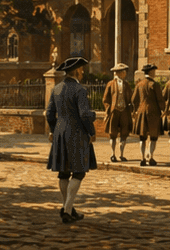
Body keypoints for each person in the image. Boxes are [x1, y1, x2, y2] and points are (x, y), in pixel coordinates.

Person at [46, 57, 98, 224]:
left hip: (60, 133)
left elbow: (49, 113)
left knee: (63, 172)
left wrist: (53, 130)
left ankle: (68, 207)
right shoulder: (80, 89)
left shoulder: (56, 89)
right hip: (76, 134)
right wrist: (92, 129)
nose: (82, 72)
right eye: (81, 69)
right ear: (76, 71)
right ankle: (67, 210)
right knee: (78, 172)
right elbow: (84, 114)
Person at [132, 64, 165, 166]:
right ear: (150, 72)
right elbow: (160, 100)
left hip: (142, 112)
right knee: (153, 137)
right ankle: (150, 157)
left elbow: (133, 99)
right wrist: (163, 110)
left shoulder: (139, 84)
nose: (154, 73)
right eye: (154, 71)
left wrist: (136, 110)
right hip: (154, 113)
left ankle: (142, 158)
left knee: (142, 137)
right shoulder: (155, 85)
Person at [103, 62, 136, 163]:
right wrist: (108, 108)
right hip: (114, 111)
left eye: (125, 71)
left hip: (124, 112)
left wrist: (131, 108)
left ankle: (121, 154)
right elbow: (105, 99)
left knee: (124, 133)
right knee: (113, 133)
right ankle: (113, 154)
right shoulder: (110, 84)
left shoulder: (126, 84)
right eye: (123, 72)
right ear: (118, 73)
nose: (125, 73)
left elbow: (131, 98)